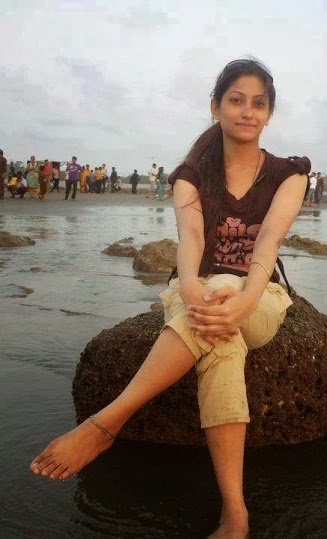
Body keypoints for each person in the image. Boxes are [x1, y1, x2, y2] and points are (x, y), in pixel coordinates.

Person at [29, 58, 310, 539]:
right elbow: (192, 239)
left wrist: (243, 299)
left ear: (269, 113)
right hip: (197, 288)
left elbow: (268, 242)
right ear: (215, 106)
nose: (247, 111)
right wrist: (190, 286)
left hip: (259, 295)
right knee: (222, 344)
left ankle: (105, 424)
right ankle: (235, 514)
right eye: (236, 100)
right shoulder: (191, 174)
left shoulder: (290, 173)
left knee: (224, 294)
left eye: (258, 103)